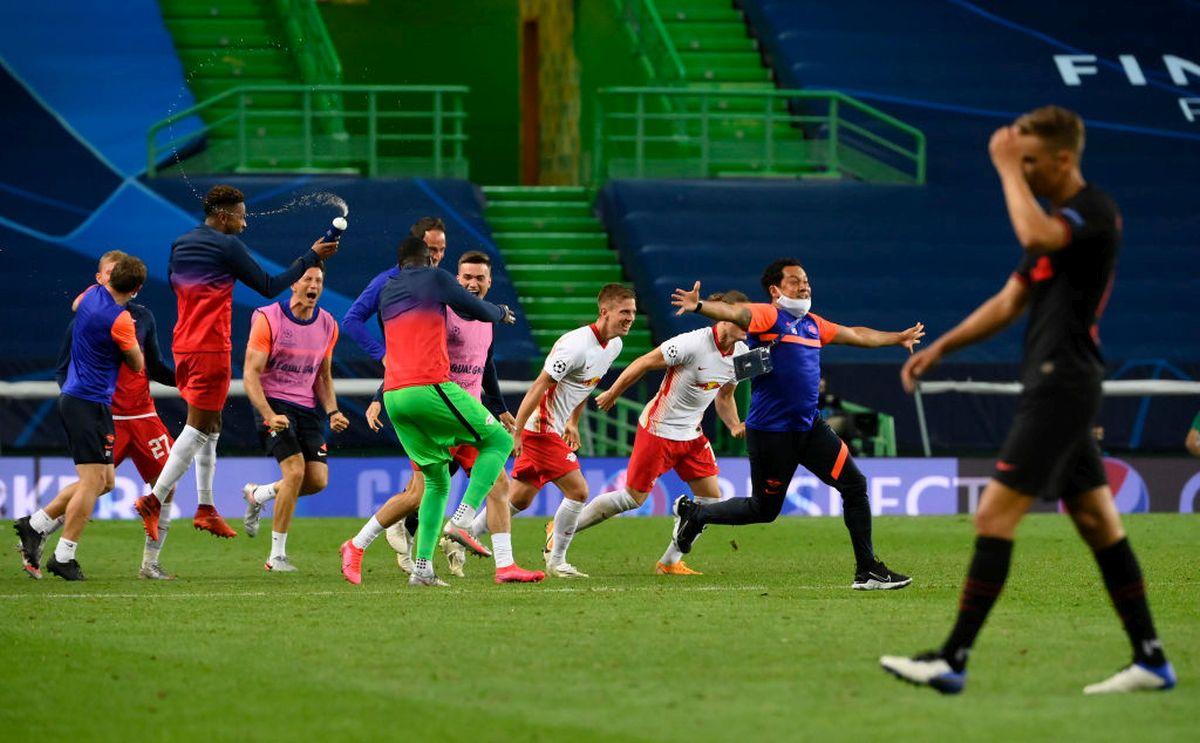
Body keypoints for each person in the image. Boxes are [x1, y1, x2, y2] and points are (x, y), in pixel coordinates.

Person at [880, 106, 1175, 695]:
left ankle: (953, 659)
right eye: (1022, 161)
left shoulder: (1091, 214)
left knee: (993, 515)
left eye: (1033, 160)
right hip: (1057, 381)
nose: (1025, 169)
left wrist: (1004, 166)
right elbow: (1010, 301)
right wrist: (941, 347)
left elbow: (1033, 232)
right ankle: (1151, 660)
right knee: (1097, 521)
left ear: (1064, 159)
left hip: (1063, 385)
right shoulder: (1054, 230)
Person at [669, 261, 921, 590]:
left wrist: (896, 338)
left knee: (855, 486)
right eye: (795, 281)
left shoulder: (814, 325)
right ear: (775, 290)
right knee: (764, 509)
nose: (804, 286)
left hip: (809, 429)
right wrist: (699, 306)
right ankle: (697, 514)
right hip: (772, 434)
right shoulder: (768, 316)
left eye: (806, 281)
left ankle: (867, 570)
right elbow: (738, 314)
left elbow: (856, 334)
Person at [132, 185, 339, 543]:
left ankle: (206, 507)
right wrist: (309, 257)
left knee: (213, 424)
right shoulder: (226, 245)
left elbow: (175, 284)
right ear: (225, 215)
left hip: (183, 341)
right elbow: (269, 286)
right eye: (241, 216)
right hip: (211, 346)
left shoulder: (181, 243)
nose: (244, 223)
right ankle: (153, 499)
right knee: (197, 428)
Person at [338, 237, 526, 587]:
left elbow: (483, 364)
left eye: (479, 278)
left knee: (448, 484)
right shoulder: (443, 295)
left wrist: (498, 406)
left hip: (408, 397)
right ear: (436, 265)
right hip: (438, 396)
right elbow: (464, 319)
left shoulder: (392, 292)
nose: (470, 283)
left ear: (489, 281)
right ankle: (460, 523)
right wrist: (500, 312)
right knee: (498, 444)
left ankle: (399, 560)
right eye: (463, 276)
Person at [15, 252, 182, 580]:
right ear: (134, 287)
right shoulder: (119, 321)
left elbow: (154, 365)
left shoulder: (94, 300)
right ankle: (62, 554)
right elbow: (136, 363)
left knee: (105, 483)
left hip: (130, 412)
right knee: (93, 483)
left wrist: (185, 380)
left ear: (110, 280)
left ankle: (36, 525)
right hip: (91, 405)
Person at [577, 290, 749, 575]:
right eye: (739, 316)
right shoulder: (692, 343)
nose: (746, 322)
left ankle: (669, 562)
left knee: (711, 501)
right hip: (659, 430)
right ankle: (565, 527)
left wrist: (733, 424)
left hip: (692, 436)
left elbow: (725, 395)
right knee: (633, 499)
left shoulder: (742, 354)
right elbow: (644, 362)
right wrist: (612, 393)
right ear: (721, 314)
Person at [497, 284, 635, 579]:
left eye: (633, 312)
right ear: (604, 312)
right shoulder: (576, 345)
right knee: (578, 490)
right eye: (624, 312)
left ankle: (458, 533)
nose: (630, 318)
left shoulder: (614, 346)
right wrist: (517, 432)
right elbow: (539, 385)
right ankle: (556, 559)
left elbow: (583, 385)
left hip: (556, 428)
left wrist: (572, 422)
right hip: (540, 429)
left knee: (518, 499)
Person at [240, 264, 349, 571]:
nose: (313, 285)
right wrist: (268, 414)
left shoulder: (328, 324)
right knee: (295, 471)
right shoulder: (267, 318)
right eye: (307, 279)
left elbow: (323, 376)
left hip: (307, 407)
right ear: (293, 285)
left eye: (319, 281)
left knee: (317, 480)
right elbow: (250, 374)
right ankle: (276, 556)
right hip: (273, 402)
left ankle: (260, 494)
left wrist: (333, 411)